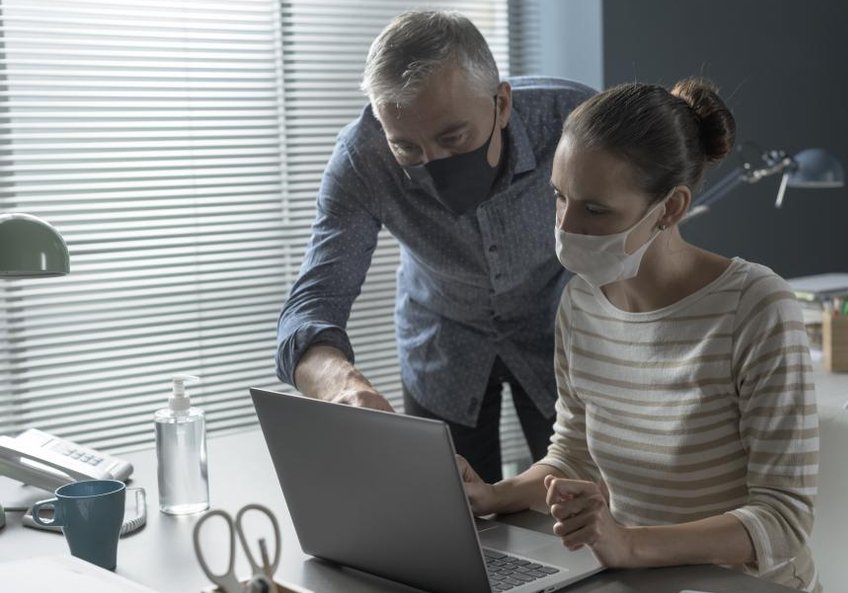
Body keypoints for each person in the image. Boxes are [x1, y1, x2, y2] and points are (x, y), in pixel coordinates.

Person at [458, 78, 820, 592]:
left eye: (595, 209)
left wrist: (628, 543)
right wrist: (496, 495)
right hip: (633, 577)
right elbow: (573, 454)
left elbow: (784, 521)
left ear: (670, 208)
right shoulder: (581, 302)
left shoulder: (756, 307)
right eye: (559, 198)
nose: (566, 227)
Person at [275, 10, 595, 483]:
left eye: (453, 136)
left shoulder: (573, 123)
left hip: (563, 342)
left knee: (580, 506)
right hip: (443, 349)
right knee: (454, 527)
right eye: (408, 149)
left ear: (501, 103)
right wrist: (344, 388)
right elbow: (310, 306)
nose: (434, 163)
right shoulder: (362, 157)